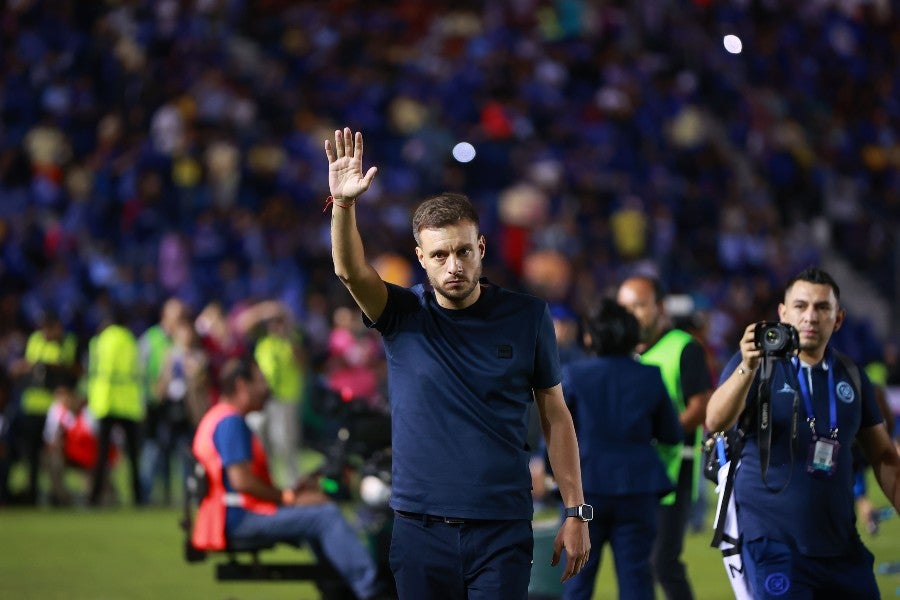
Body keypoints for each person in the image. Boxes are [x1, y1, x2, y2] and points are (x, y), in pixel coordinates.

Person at [325, 127, 590, 599]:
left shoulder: (527, 316)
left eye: (464, 251)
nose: (454, 266)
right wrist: (344, 207)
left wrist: (575, 510)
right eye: (440, 255)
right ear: (421, 259)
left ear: (481, 249)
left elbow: (555, 414)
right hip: (419, 529)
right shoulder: (399, 314)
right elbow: (348, 270)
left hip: (502, 528)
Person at [706, 267, 900, 599]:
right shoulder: (754, 365)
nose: (810, 316)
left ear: (837, 319)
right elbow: (716, 420)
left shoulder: (852, 376)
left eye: (822, 308)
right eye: (800, 305)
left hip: (841, 546)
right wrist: (748, 366)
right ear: (783, 313)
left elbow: (883, 454)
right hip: (773, 544)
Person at [190, 356, 386, 600]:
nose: (266, 388)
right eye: (260, 380)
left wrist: (295, 491)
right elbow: (241, 481)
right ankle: (373, 591)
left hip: (229, 514)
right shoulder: (231, 422)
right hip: (238, 518)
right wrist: (287, 497)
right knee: (326, 515)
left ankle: (337, 587)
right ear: (241, 385)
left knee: (317, 511)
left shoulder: (217, 417)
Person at [561, 298, 681, 600]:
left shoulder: (575, 375)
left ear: (591, 336)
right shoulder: (649, 375)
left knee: (577, 577)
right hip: (638, 487)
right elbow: (671, 434)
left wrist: (553, 476)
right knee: (637, 578)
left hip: (586, 489)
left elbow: (560, 434)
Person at [616, 275, 713, 600]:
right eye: (625, 307)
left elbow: (701, 406)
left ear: (659, 308)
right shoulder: (618, 353)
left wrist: (662, 435)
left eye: (639, 306)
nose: (631, 314)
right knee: (634, 563)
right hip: (628, 474)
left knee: (662, 561)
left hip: (671, 471)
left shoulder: (684, 347)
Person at [9, 310, 79, 504]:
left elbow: (68, 368)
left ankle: (57, 495)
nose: (46, 334)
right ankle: (32, 495)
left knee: (54, 456)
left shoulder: (67, 342)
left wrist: (44, 366)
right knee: (32, 456)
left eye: (49, 329)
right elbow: (28, 364)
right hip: (32, 406)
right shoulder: (35, 340)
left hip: (54, 409)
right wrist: (24, 367)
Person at [87, 309, 144, 507]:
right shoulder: (130, 340)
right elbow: (137, 370)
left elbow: (94, 369)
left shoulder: (101, 340)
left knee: (101, 455)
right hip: (128, 403)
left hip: (105, 401)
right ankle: (138, 497)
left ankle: (94, 497)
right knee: (133, 457)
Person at [43, 372, 117, 506]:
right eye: (59, 395)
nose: (63, 399)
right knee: (52, 461)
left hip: (91, 458)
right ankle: (63, 499)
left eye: (65, 395)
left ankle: (101, 495)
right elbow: (50, 441)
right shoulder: (56, 411)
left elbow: (103, 441)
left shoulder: (90, 412)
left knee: (105, 491)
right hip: (69, 456)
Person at [253, 305, 307, 488]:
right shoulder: (264, 344)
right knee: (264, 442)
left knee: (285, 443)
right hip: (266, 399)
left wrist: (290, 338)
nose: (275, 327)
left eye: (279, 322)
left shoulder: (291, 342)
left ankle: (292, 482)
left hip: (285, 399)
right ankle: (268, 481)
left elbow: (302, 364)